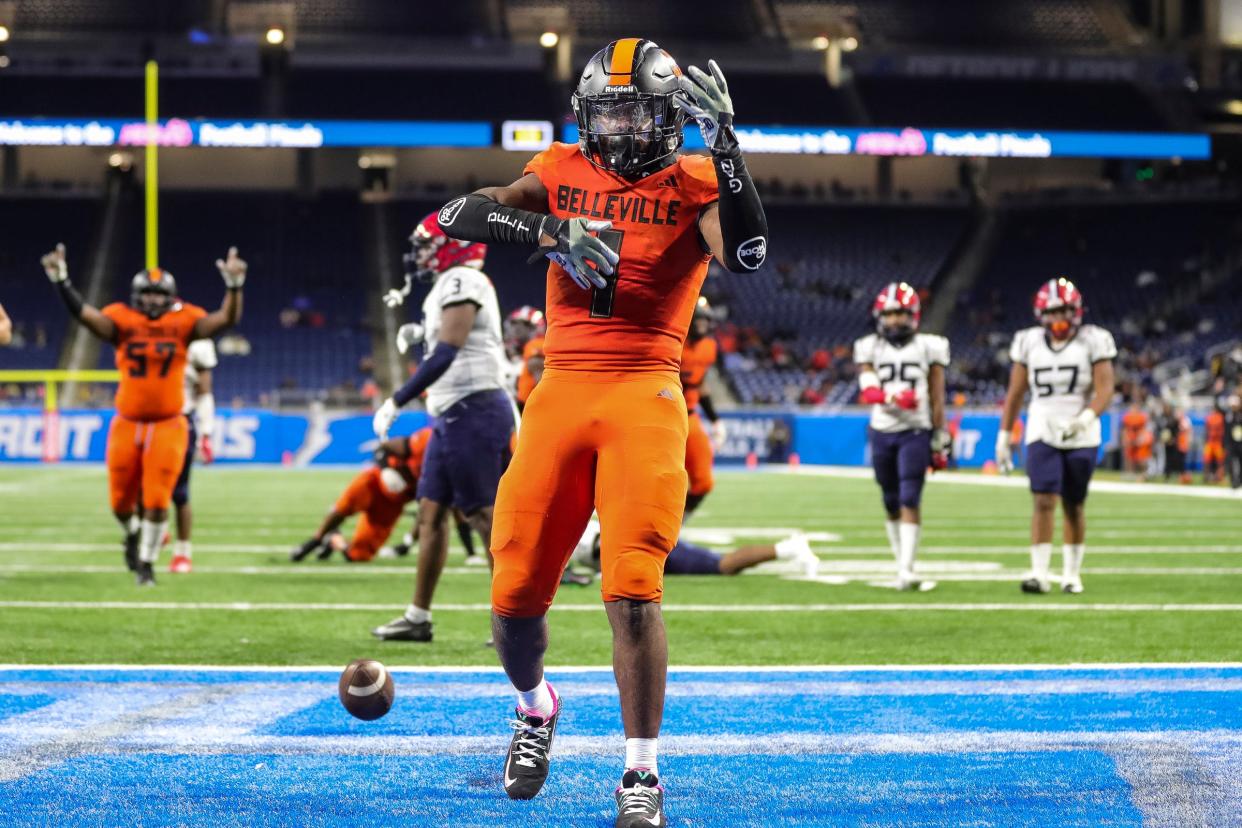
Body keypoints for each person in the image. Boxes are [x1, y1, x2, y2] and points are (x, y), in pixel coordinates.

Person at [426, 38, 767, 826]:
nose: (613, 126)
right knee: (512, 594)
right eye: (602, 110)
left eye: (628, 109)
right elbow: (457, 214)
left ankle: (640, 772)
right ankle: (535, 709)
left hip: (647, 387)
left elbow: (746, 253)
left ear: (664, 115)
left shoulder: (696, 178)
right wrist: (551, 235)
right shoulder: (560, 169)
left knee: (634, 589)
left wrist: (727, 148)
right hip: (561, 387)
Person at [42, 243, 245, 585]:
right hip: (127, 421)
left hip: (169, 422)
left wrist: (234, 287)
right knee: (120, 501)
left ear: (170, 296)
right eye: (146, 294)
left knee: (157, 499)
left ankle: (146, 565)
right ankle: (133, 533)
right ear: (137, 295)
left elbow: (226, 319)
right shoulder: (122, 319)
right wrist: (62, 282)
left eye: (158, 294)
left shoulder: (184, 321)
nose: (151, 300)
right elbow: (86, 317)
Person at [370, 213, 515, 642]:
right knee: (431, 511)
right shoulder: (448, 286)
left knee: (483, 513)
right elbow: (450, 339)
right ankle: (418, 616)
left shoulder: (463, 281)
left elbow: (449, 350)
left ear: (454, 243)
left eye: (428, 243)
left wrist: (397, 399)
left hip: (475, 408)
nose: (421, 252)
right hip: (453, 412)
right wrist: (422, 333)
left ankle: (512, 618)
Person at [996, 278, 1115, 595]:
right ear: (1040, 314)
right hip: (1042, 426)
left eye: (1064, 310)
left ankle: (1072, 574)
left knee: (1074, 504)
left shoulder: (1094, 340)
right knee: (1043, 499)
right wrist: (1004, 435)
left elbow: (1105, 388)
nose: (1058, 318)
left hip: (1083, 430)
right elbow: (1016, 392)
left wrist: (1086, 417)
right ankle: (1038, 573)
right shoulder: (1028, 341)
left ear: (1076, 311)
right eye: (1052, 312)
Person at [853, 282, 950, 591]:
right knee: (890, 499)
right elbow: (868, 391)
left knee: (910, 496)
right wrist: (894, 398)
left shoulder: (928, 346)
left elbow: (937, 394)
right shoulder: (870, 346)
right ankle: (900, 563)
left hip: (915, 430)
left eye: (901, 314)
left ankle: (907, 569)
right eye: (890, 314)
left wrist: (940, 434)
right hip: (882, 429)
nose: (895, 320)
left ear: (914, 316)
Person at [291, 428, 431, 563]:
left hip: (392, 505)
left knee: (359, 555)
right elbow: (382, 448)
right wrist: (386, 470)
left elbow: (428, 513)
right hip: (374, 482)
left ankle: (334, 539)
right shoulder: (425, 442)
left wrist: (408, 543)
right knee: (343, 508)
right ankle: (316, 540)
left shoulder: (447, 475)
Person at [573, 521, 818, 578]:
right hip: (642, 549)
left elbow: (603, 545)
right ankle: (786, 548)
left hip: (646, 548)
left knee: (723, 566)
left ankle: (787, 548)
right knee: (722, 565)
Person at [167, 337, 218, 573]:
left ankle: (183, 553)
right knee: (138, 487)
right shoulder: (142, 332)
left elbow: (204, 391)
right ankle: (155, 528)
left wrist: (206, 433)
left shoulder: (197, 343)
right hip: (145, 418)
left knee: (180, 493)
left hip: (179, 421)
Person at [681, 297, 726, 521]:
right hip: (656, 412)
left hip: (688, 416)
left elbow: (701, 385)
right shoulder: (672, 340)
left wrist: (715, 420)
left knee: (703, 482)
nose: (702, 325)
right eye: (698, 320)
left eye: (705, 321)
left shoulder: (709, 348)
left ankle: (675, 530)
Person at [1203, 406, 1226, 484]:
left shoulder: (1214, 417)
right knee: (1215, 461)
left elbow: (1207, 430)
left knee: (1215, 461)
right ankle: (1215, 477)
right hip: (1214, 442)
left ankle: (1212, 477)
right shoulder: (1220, 417)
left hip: (1214, 442)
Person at [1225, 394, 1242, 490]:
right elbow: (1227, 431)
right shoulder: (1229, 416)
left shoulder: (1239, 415)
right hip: (1231, 443)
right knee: (1231, 462)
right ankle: (1233, 481)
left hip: (1240, 442)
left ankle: (1239, 480)